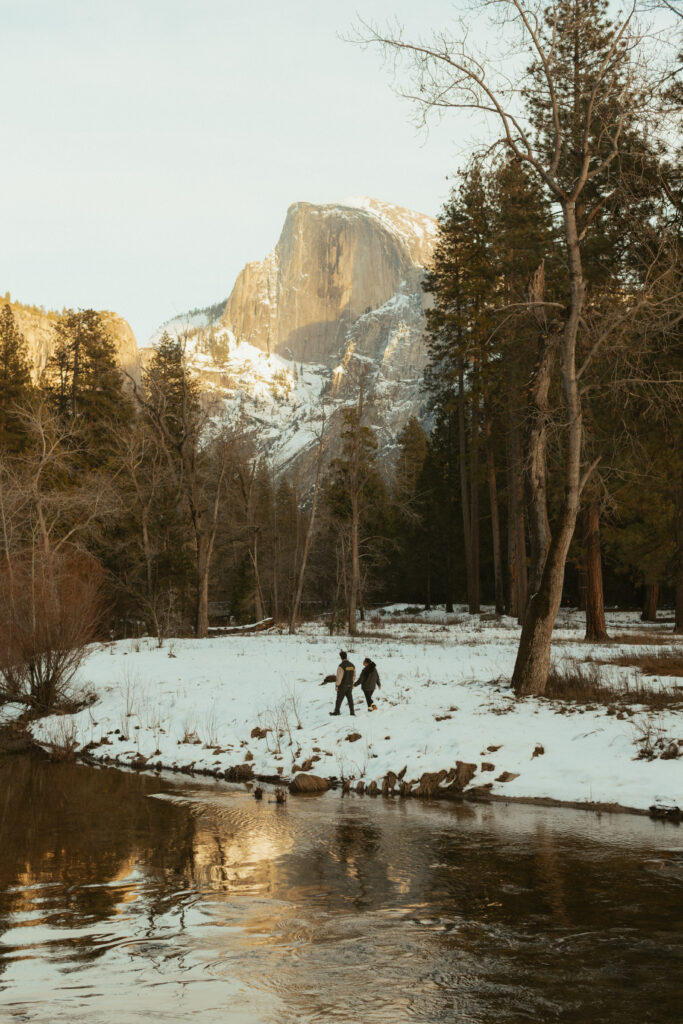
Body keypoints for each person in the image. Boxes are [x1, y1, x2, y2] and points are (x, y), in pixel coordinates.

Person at [330, 650, 355, 716]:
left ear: (341, 657)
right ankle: (352, 712)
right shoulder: (352, 665)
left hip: (342, 686)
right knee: (350, 700)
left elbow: (339, 677)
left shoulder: (341, 666)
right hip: (350, 686)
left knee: (339, 700)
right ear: (346, 656)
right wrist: (352, 683)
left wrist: (337, 685)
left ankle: (336, 712)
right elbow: (354, 676)